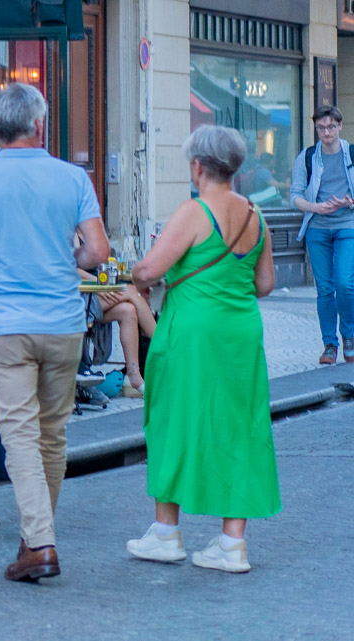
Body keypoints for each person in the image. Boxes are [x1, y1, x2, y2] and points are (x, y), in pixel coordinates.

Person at [0, 82, 110, 583]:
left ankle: (39, 543)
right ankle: (35, 537)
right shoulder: (73, 177)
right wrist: (66, 258)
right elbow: (97, 251)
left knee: (18, 433)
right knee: (52, 434)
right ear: (39, 125)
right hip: (63, 323)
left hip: (7, 325)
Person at [126, 125, 281, 574]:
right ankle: (232, 543)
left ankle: (166, 532)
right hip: (241, 334)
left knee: (172, 419)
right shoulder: (255, 214)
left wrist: (135, 275)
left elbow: (149, 270)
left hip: (191, 334)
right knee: (240, 425)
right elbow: (265, 284)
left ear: (197, 167)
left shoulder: (194, 211)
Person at [289, 104, 354, 365]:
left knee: (345, 283)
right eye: (321, 128)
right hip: (317, 228)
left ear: (340, 126)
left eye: (331, 127)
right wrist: (315, 207)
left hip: (347, 225)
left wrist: (349, 201)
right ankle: (330, 344)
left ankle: (349, 336)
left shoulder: (351, 154)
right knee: (325, 289)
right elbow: (295, 196)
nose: (326, 133)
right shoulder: (307, 157)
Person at [97, 283, 157, 397]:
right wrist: (99, 282)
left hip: (93, 294)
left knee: (127, 310)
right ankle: (163, 345)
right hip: (73, 296)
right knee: (131, 290)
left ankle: (133, 375)